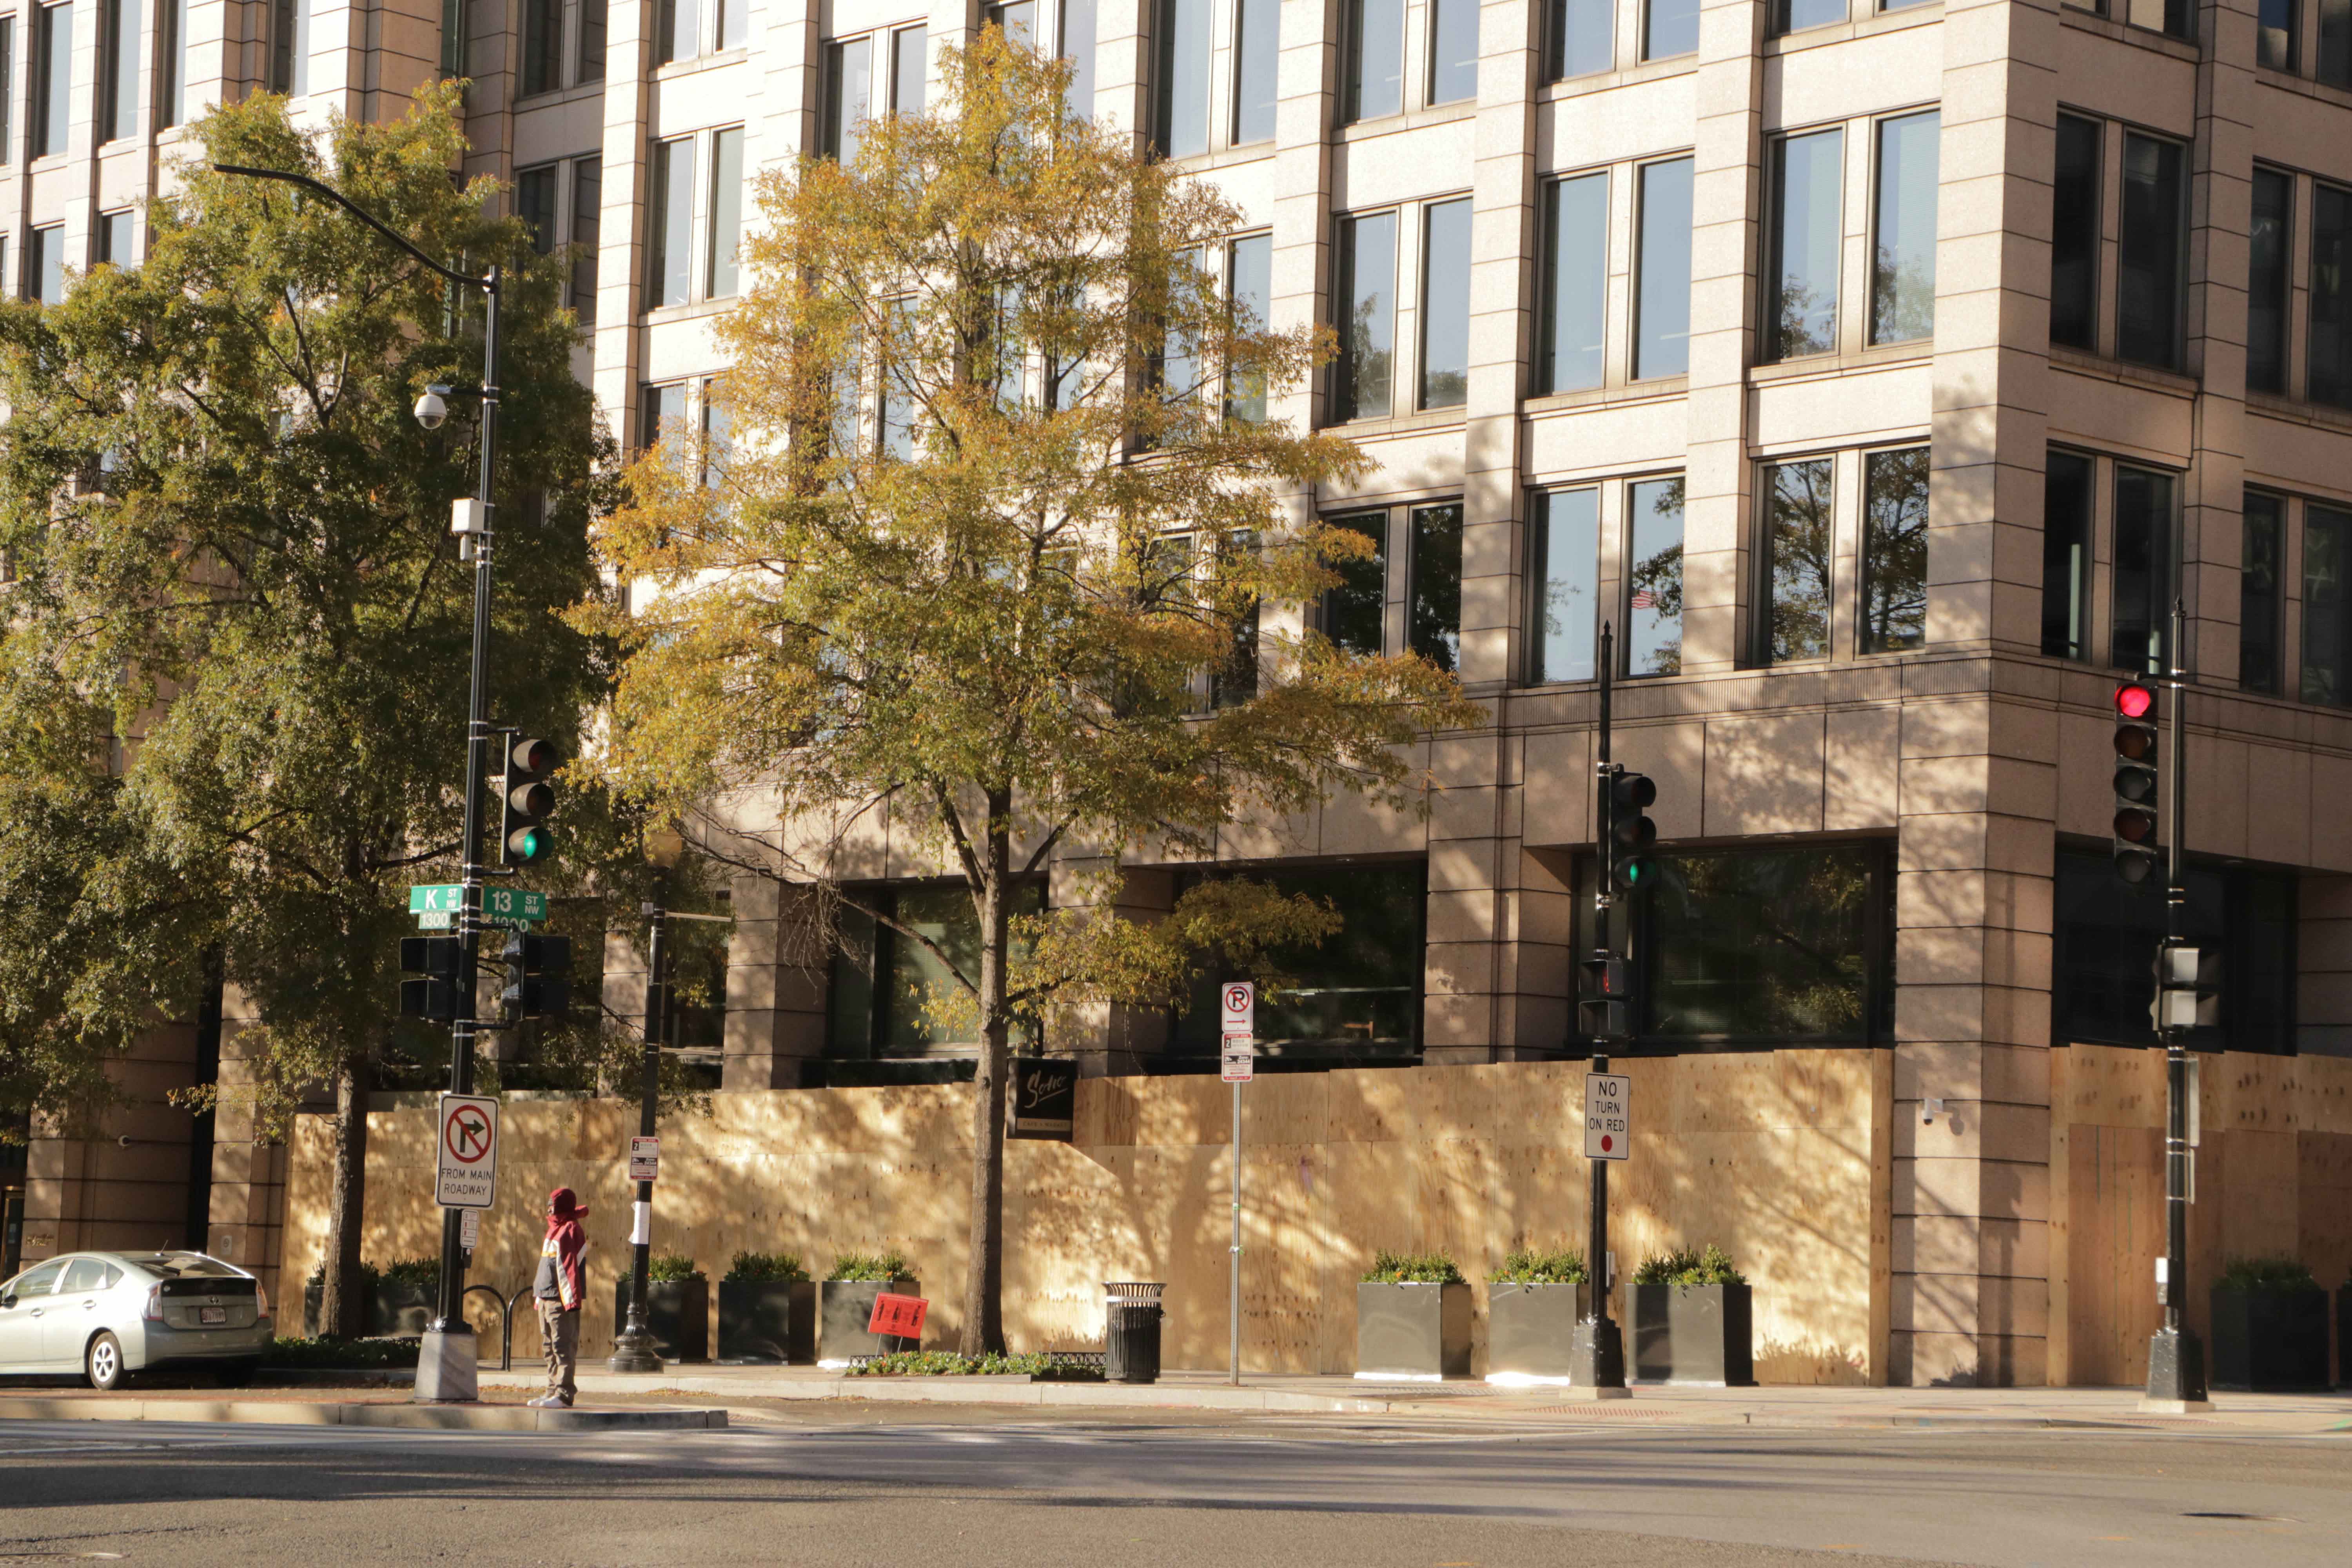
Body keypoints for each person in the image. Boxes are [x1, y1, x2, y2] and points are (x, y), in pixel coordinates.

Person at [529, 1187, 588, 1408]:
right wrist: (539, 1296)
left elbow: (569, 1268)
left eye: (553, 1205)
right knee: (549, 1348)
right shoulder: (554, 1229)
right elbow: (546, 1266)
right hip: (546, 1297)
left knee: (562, 1347)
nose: (549, 1209)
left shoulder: (571, 1229)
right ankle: (552, 1391)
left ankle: (564, 1395)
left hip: (560, 1299)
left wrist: (570, 1300)